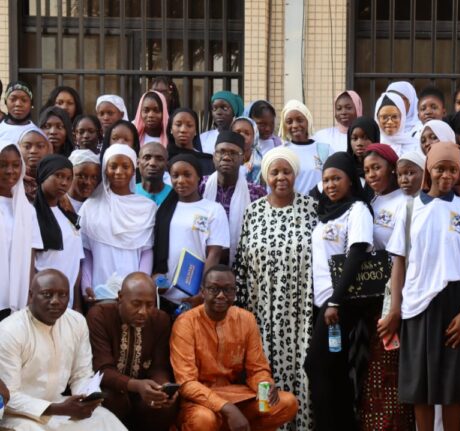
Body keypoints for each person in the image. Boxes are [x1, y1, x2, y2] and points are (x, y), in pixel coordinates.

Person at [383, 141, 460, 431]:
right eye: (440, 168)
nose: (446, 175)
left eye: (453, 169)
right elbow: (399, 263)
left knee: (452, 386)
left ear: (459, 173)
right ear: (429, 168)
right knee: (421, 385)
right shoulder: (409, 209)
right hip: (417, 305)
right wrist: (395, 310)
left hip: (454, 303)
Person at [233, 147, 316, 430]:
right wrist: (242, 316)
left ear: (296, 174)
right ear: (266, 175)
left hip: (302, 313)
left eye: (287, 171)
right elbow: (241, 266)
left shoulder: (311, 209)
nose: (281, 177)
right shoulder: (253, 213)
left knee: (302, 373)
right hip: (262, 314)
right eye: (274, 171)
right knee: (263, 374)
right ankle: (266, 424)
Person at [170, 265, 299, 431]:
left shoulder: (246, 319)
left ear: (235, 292)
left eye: (228, 290)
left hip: (237, 396)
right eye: (214, 289)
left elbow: (257, 369)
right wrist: (227, 408)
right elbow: (186, 383)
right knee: (203, 420)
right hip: (199, 401)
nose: (221, 295)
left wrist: (265, 384)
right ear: (202, 291)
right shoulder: (186, 323)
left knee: (287, 403)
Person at [0, 269, 128, 430]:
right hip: (19, 415)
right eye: (47, 294)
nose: (55, 301)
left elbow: (81, 374)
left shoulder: (76, 322)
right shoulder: (10, 331)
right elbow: (9, 397)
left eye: (63, 295)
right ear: (31, 296)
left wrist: (88, 398)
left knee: (104, 419)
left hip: (62, 406)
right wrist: (58, 409)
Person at [305, 152, 375, 430]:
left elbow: (357, 254)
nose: (331, 185)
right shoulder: (324, 214)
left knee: (317, 367)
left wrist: (335, 300)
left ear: (351, 181)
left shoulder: (357, 210)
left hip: (340, 304)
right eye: (326, 180)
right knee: (334, 369)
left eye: (337, 178)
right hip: (323, 302)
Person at [361, 144, 415, 429]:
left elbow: (401, 256)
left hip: (394, 297)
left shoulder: (405, 201)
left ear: (392, 169)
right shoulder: (371, 202)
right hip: (370, 297)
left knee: (392, 368)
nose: (371, 174)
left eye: (377, 168)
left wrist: (396, 305)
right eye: (367, 169)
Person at [86, 272, 177, 431]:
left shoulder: (160, 320)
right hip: (112, 390)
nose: (143, 311)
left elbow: (159, 367)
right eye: (136, 304)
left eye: (150, 305)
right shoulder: (100, 315)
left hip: (144, 391)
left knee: (164, 405)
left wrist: (162, 388)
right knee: (111, 398)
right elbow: (102, 369)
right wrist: (135, 385)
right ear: (120, 297)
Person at [79, 144, 156, 301]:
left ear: (134, 170)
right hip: (98, 290)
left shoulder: (147, 207)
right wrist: (86, 285)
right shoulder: (90, 206)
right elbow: (86, 252)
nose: (119, 172)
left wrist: (141, 284)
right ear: (105, 170)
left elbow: (147, 251)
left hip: (135, 293)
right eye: (113, 166)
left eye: (125, 166)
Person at [154, 154, 228, 311]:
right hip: (164, 293)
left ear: (199, 178)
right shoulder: (163, 209)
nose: (181, 180)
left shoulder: (213, 209)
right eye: (175, 176)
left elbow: (214, 254)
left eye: (187, 175)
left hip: (195, 296)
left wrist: (204, 290)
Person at [200, 131, 266, 265]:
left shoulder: (256, 193)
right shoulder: (200, 186)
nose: (226, 157)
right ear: (213, 156)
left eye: (233, 153)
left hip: (242, 266)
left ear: (243, 159)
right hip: (203, 261)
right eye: (221, 152)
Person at [33, 154, 83, 311]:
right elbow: (29, 262)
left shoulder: (69, 214)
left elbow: (76, 261)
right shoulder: (32, 214)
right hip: (43, 299)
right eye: (58, 176)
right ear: (44, 175)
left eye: (69, 178)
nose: (64, 182)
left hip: (67, 300)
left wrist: (76, 303)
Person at [0, 140, 42, 321]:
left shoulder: (27, 210)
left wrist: (29, 294)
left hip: (16, 298)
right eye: (2, 165)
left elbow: (31, 256)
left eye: (16, 165)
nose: (10, 171)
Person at [279, 99, 330, 195]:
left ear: (308, 120)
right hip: (292, 207)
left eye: (300, 120)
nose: (295, 125)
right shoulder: (281, 152)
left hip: (319, 207)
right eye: (289, 122)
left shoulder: (324, 149)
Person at [167, 108, 215, 176]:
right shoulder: (163, 159)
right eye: (178, 125)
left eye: (189, 125)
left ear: (195, 130)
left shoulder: (208, 162)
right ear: (171, 129)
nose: (183, 130)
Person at [376, 91, 418, 156]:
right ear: (377, 119)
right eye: (384, 117)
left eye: (395, 117)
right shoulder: (374, 145)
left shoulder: (415, 146)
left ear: (402, 118)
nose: (390, 122)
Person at [18, 127, 52, 201]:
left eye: (40, 146)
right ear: (18, 149)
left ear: (48, 149)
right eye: (27, 147)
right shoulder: (12, 180)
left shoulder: (55, 178)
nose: (33, 151)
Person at [67, 149, 101, 213]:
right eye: (81, 176)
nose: (88, 182)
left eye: (94, 177)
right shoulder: (57, 202)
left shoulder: (99, 206)